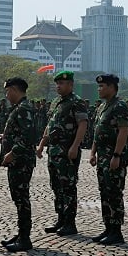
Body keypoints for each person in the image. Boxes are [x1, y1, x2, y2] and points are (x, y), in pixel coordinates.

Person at [36, 71, 88, 237]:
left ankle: (70, 223)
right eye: (57, 83)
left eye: (62, 83)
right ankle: (60, 219)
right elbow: (50, 126)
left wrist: (75, 146)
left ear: (71, 85)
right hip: (54, 151)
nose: (58, 86)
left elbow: (82, 125)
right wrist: (42, 144)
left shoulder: (77, 102)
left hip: (67, 151)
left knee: (68, 187)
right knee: (56, 186)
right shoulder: (56, 102)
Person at [89, 74, 128, 245]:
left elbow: (123, 131)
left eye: (102, 86)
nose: (99, 89)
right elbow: (97, 132)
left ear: (112, 87)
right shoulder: (102, 107)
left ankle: (116, 231)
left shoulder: (119, 106)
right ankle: (108, 227)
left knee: (114, 193)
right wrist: (93, 153)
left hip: (113, 156)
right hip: (102, 157)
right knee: (104, 193)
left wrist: (117, 155)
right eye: (98, 87)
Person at [0, 77, 37, 252]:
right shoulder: (20, 108)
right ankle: (21, 234)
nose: (6, 95)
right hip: (17, 161)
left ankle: (25, 238)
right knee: (18, 198)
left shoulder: (23, 109)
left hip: (21, 161)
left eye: (7, 91)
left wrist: (12, 152)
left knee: (22, 199)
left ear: (14, 89)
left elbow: (27, 136)